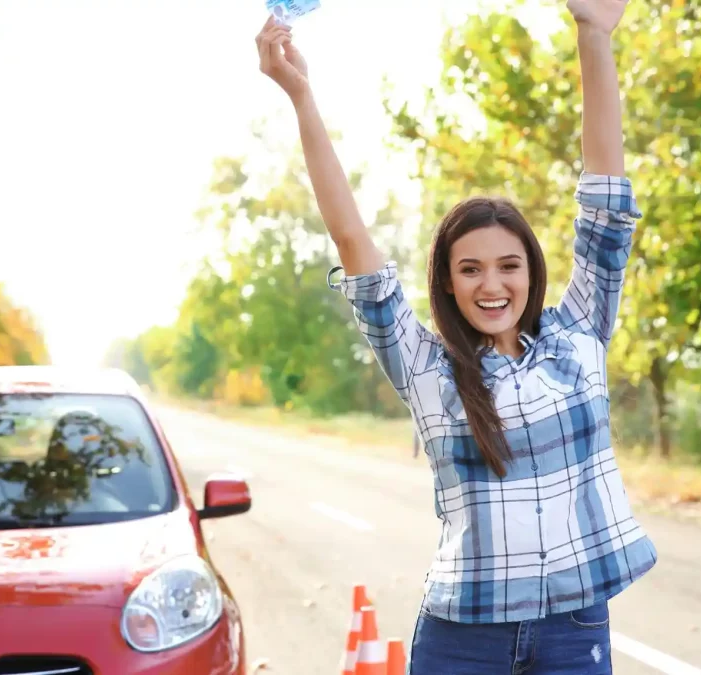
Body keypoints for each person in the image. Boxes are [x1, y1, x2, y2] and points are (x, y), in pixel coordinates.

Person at [255, 1, 656, 672]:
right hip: (463, 636)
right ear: (446, 280)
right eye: (469, 268)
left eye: (508, 265)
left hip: (572, 626)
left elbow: (606, 199)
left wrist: (595, 35)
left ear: (533, 269)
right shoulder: (424, 365)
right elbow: (351, 236)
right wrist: (301, 96)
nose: (491, 285)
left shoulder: (579, 332)